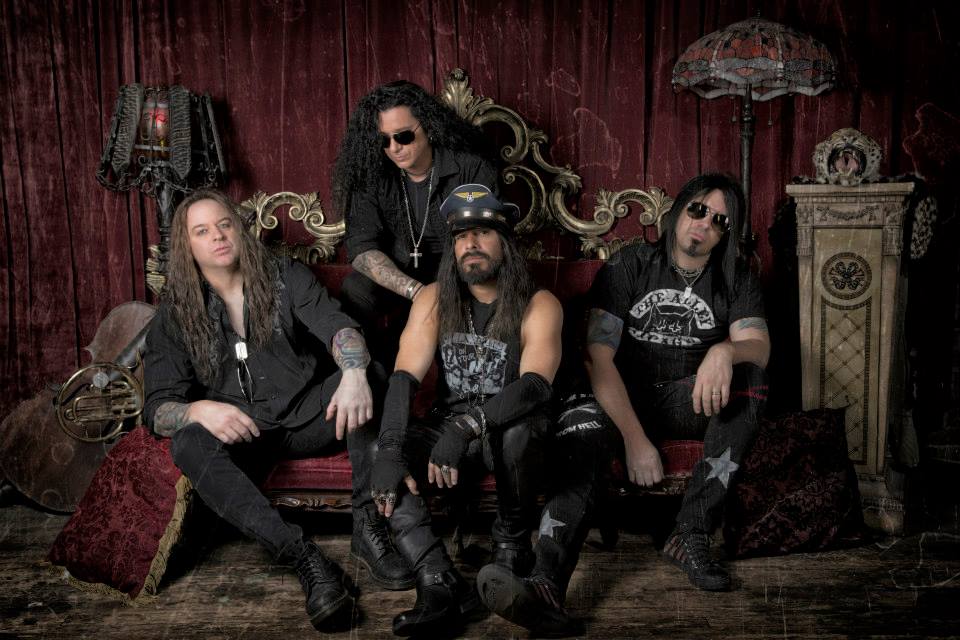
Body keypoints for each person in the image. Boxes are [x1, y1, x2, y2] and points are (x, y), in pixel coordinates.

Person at [477, 173, 770, 637]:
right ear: (678, 210)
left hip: (686, 398)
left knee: (751, 376)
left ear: (726, 232)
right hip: (616, 396)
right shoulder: (630, 264)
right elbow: (598, 357)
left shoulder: (736, 277)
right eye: (698, 210)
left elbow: (758, 346)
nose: (704, 224)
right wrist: (635, 440)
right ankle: (545, 582)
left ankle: (690, 532)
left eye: (720, 220)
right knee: (585, 436)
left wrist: (723, 351)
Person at [143, 188, 413, 631]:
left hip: (309, 417)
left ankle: (368, 528)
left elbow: (338, 327)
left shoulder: (285, 275)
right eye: (202, 231)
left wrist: (353, 372)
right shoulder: (174, 313)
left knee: (374, 374)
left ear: (240, 228)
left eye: (224, 224)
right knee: (187, 440)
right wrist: (198, 411)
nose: (218, 236)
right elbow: (156, 408)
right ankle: (303, 557)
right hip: (243, 434)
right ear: (186, 246)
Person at [369, 184, 563, 636]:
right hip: (446, 428)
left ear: (505, 242)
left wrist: (468, 426)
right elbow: (404, 377)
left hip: (504, 432)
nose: (470, 244)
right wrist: (391, 447)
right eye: (460, 236)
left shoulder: (539, 303)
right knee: (384, 453)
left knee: (521, 430)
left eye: (482, 233)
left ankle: (511, 551)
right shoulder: (435, 297)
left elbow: (536, 385)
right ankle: (437, 580)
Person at [331, 80, 498, 358]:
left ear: (428, 127)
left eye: (404, 136)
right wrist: (415, 291)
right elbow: (362, 248)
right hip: (401, 274)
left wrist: (444, 288)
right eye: (384, 140)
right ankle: (373, 369)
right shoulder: (372, 173)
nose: (394, 147)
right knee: (356, 288)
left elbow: (486, 239)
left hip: (457, 271)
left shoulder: (469, 167)